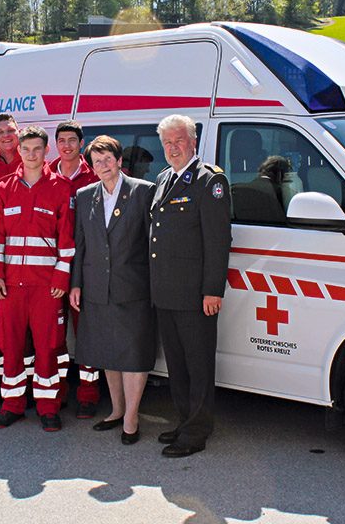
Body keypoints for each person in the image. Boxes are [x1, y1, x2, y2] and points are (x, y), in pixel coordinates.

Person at [148, 114, 232, 458]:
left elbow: (217, 240)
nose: (172, 148)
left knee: (198, 366)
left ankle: (197, 432)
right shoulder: (165, 178)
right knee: (177, 366)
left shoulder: (209, 181)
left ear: (193, 142)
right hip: (166, 292)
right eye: (167, 143)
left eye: (178, 141)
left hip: (196, 295)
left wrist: (213, 289)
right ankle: (184, 422)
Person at [0, 126, 75, 432]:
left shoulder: (61, 189)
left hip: (45, 287)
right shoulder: (3, 188)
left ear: (46, 151)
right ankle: (12, 405)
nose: (32, 155)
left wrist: (61, 279)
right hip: (10, 285)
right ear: (19, 152)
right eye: (26, 150)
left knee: (47, 347)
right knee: (10, 347)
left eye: (37, 149)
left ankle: (48, 407)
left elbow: (67, 240)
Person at [69, 135, 156, 444]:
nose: (102, 165)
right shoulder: (83, 195)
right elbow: (80, 244)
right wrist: (76, 282)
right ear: (90, 166)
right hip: (96, 286)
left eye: (108, 159)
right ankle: (116, 410)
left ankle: (132, 417)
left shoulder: (143, 192)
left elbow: (151, 243)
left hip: (133, 286)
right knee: (107, 351)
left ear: (120, 161)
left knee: (133, 354)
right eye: (97, 161)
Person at [49, 120, 102, 419]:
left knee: (86, 334)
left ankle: (88, 395)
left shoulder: (94, 174)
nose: (67, 145)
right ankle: (56, 393)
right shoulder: (46, 175)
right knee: (54, 337)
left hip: (85, 266)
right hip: (51, 268)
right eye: (62, 140)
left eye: (72, 140)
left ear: (82, 144)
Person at [0, 113, 21, 182]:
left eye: (10, 130)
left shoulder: (31, 162)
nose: (6, 135)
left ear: (19, 134)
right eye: (0, 132)